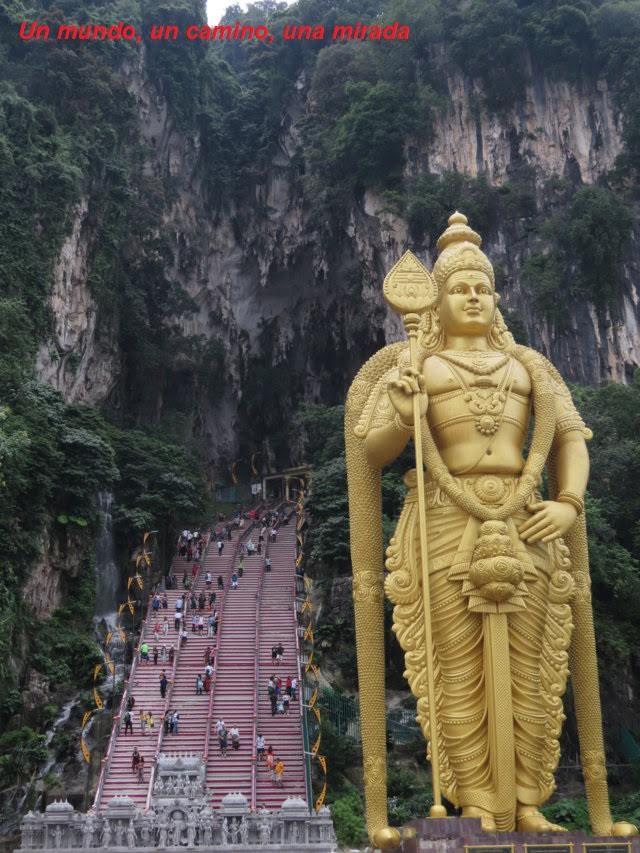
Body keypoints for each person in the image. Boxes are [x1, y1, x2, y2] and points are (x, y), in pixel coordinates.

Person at [345, 212, 639, 842]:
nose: (473, 296)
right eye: (460, 288)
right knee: (455, 670)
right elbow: (371, 451)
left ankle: (529, 801)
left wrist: (569, 502)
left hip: (526, 516)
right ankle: (477, 804)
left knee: (534, 668)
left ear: (497, 296)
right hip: (445, 520)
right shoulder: (415, 365)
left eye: (483, 287)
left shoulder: (529, 366)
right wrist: (401, 408)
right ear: (438, 301)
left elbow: (570, 439)